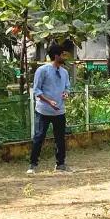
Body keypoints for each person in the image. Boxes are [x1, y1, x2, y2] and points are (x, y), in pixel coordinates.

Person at [27, 43, 73, 174]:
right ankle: (32, 165)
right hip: (44, 110)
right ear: (56, 56)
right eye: (63, 55)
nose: (65, 57)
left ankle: (60, 164)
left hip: (59, 110)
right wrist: (48, 101)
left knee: (60, 138)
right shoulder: (43, 70)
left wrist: (66, 93)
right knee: (39, 137)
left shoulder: (64, 72)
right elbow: (36, 89)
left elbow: (67, 87)